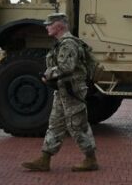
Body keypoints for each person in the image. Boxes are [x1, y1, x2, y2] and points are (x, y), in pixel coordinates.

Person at [21, 13, 98, 172]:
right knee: (55, 124)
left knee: (77, 126)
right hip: (62, 90)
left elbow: (67, 67)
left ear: (59, 26)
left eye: (49, 24)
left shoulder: (68, 44)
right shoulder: (61, 44)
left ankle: (91, 159)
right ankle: (45, 159)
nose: (46, 27)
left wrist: (47, 75)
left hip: (72, 91)